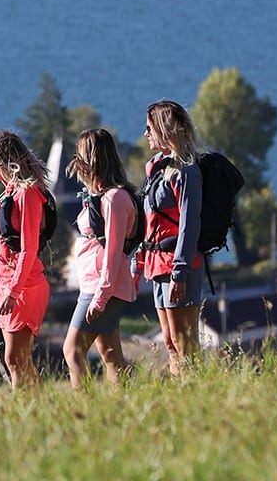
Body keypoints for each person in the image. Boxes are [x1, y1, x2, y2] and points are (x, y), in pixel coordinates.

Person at [63, 127, 135, 387]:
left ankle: (81, 410)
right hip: (96, 285)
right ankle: (127, 403)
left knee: (73, 351)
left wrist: (101, 297)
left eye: (80, 155)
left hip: (101, 288)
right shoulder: (101, 196)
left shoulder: (114, 198)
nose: (76, 162)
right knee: (111, 355)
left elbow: (114, 252)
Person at [0, 128, 54, 390]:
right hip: (8, 284)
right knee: (18, 359)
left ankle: (25, 409)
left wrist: (13, 290)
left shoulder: (27, 194)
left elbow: (29, 247)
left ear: (3, 161)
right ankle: (38, 409)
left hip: (25, 285)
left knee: (15, 358)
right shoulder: (8, 194)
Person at [138, 100, 203, 373]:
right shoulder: (157, 169)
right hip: (157, 263)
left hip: (179, 265)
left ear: (165, 129)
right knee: (169, 342)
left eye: (149, 127)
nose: (146, 134)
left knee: (184, 343)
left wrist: (180, 270)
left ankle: (195, 395)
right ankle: (182, 397)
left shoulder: (186, 171)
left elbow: (190, 223)